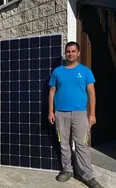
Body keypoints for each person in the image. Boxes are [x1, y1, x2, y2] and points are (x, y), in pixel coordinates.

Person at [48, 42, 103, 188]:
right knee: (64, 144)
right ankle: (67, 170)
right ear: (65, 53)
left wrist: (92, 114)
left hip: (80, 114)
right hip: (61, 114)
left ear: (78, 53)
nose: (70, 54)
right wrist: (50, 111)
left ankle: (87, 175)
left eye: (73, 51)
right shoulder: (57, 72)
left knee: (82, 145)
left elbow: (91, 93)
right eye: (68, 51)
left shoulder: (85, 71)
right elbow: (52, 92)